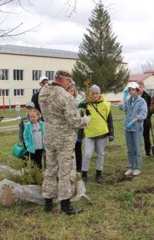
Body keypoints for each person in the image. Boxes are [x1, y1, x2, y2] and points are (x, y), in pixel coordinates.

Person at [38, 70, 90, 215]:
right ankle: (65, 205)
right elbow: (73, 121)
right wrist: (85, 120)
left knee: (50, 169)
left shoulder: (43, 92)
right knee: (65, 171)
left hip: (49, 136)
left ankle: (48, 203)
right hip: (64, 139)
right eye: (69, 82)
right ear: (65, 80)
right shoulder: (66, 96)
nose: (70, 85)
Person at [80, 84, 114, 184]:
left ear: (100, 93)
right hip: (89, 134)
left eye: (97, 93)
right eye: (93, 93)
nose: (95, 95)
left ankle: (98, 174)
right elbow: (81, 120)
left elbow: (110, 120)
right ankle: (84, 174)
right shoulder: (85, 104)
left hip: (102, 134)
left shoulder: (106, 105)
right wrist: (80, 134)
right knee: (87, 154)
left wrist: (111, 133)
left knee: (100, 154)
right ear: (90, 94)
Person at [119, 82, 147, 176]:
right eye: (129, 90)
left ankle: (137, 168)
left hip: (137, 128)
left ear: (137, 90)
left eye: (133, 89)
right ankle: (131, 167)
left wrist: (134, 120)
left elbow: (143, 113)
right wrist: (123, 99)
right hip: (128, 128)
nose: (131, 91)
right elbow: (122, 107)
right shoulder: (128, 100)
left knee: (137, 149)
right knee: (130, 149)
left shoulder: (141, 101)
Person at [67, 84, 84, 173]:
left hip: (78, 128)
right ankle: (70, 168)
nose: (71, 93)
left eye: (72, 91)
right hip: (68, 129)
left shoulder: (79, 100)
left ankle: (78, 169)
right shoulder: (64, 101)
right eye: (69, 91)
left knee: (78, 148)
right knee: (69, 150)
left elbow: (83, 113)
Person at [137, 81, 152, 157]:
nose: (139, 89)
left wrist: (147, 115)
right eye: (138, 87)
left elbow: (150, 108)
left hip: (146, 119)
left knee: (146, 136)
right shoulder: (134, 96)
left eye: (141, 87)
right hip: (136, 120)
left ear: (143, 87)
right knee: (137, 137)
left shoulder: (147, 96)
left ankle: (148, 151)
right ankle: (137, 151)